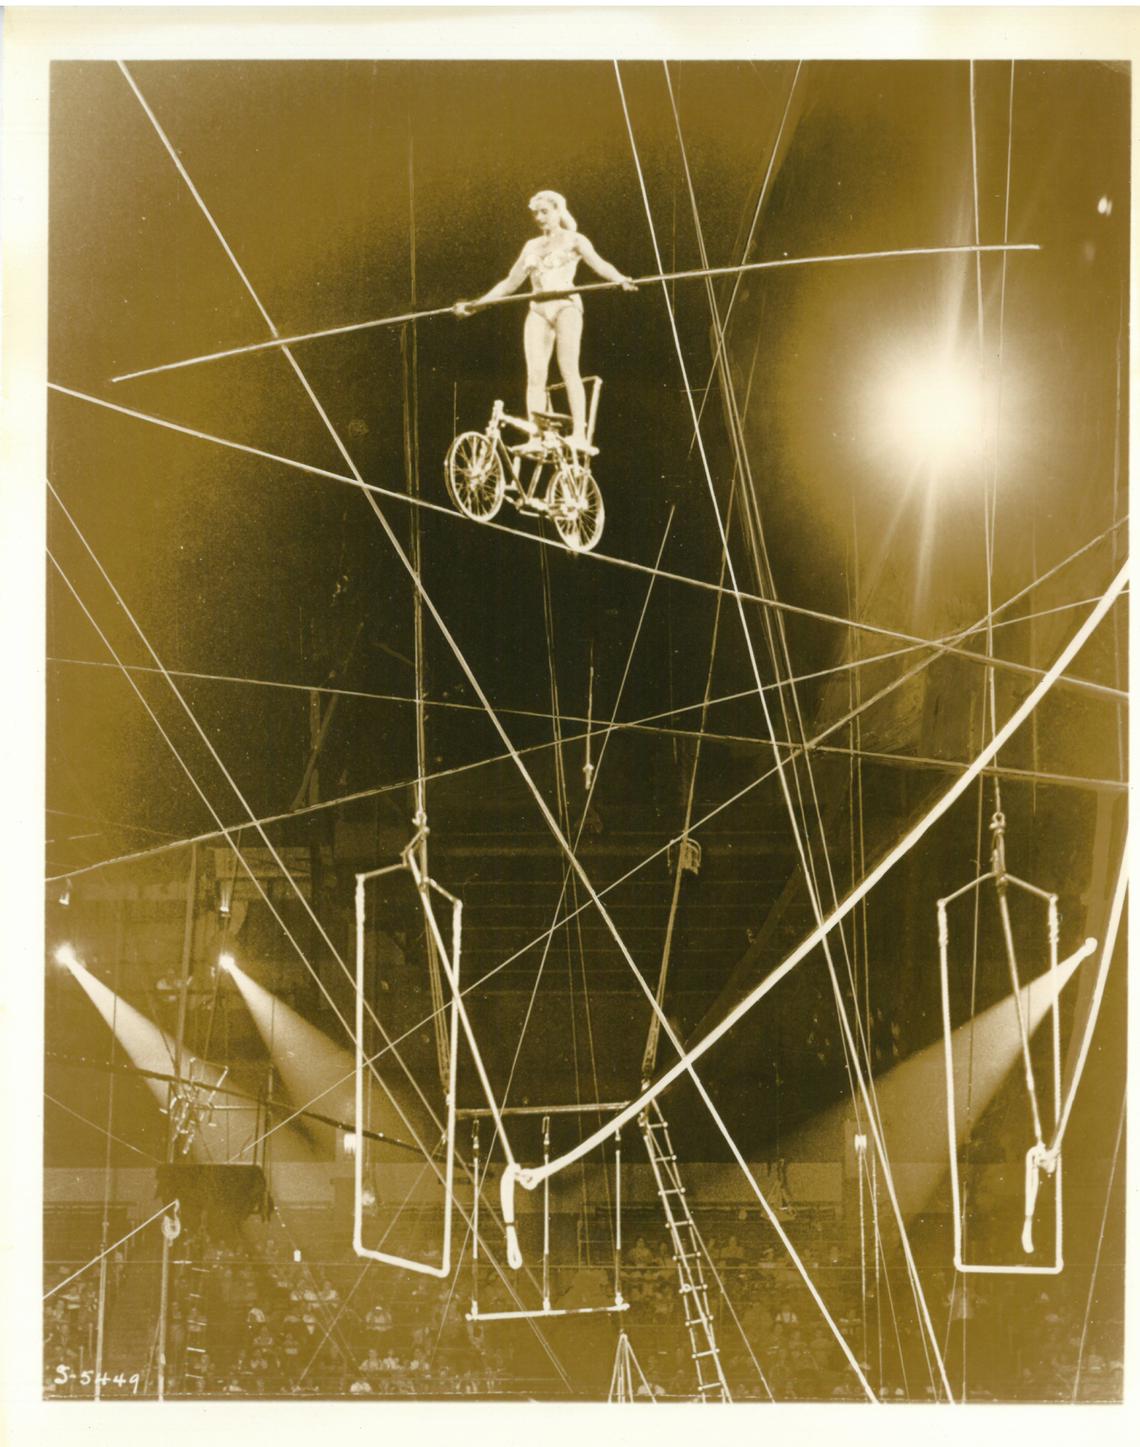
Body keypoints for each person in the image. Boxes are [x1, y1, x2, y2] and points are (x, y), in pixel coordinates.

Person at [455, 189, 636, 453]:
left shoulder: (575, 240)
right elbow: (509, 284)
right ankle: (537, 438)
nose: (539, 217)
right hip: (538, 309)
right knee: (536, 375)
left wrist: (620, 279)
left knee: (568, 369)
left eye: (545, 211)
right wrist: (476, 305)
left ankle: (579, 435)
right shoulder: (531, 247)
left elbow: (600, 264)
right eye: (535, 213)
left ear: (558, 211)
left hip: (566, 306)